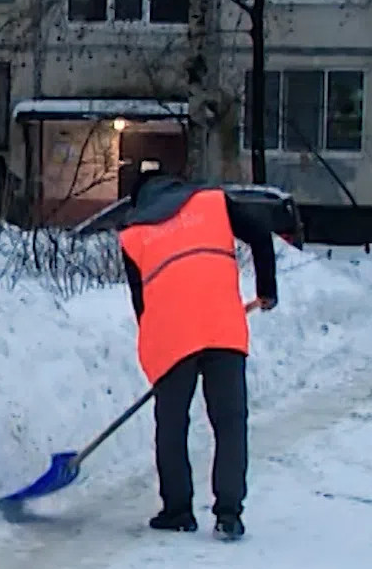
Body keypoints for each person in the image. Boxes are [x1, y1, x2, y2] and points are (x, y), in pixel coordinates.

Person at [117, 173, 278, 542]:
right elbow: (260, 233)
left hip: (173, 335)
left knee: (172, 424)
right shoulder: (212, 202)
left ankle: (177, 511)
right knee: (230, 422)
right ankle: (229, 515)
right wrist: (266, 289)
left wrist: (160, 354)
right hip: (223, 327)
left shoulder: (133, 232)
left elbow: (141, 304)